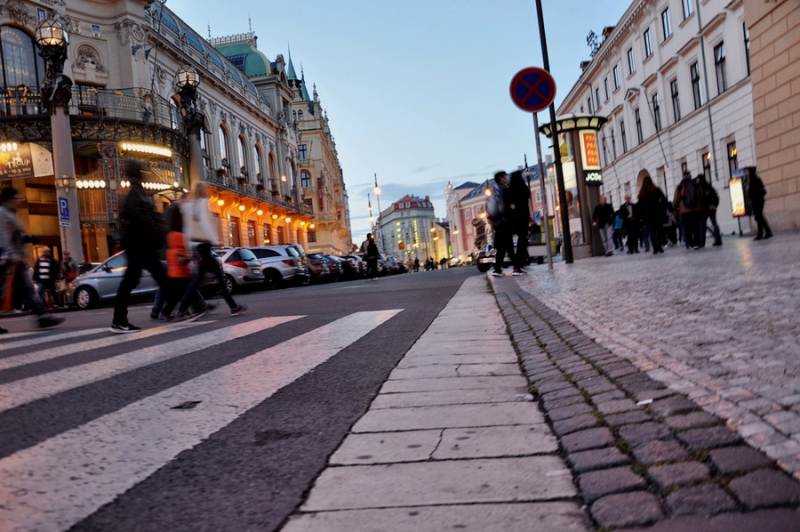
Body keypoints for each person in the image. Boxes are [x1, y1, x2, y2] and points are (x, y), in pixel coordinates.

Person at [111, 161, 169, 333]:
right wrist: (158, 235)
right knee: (154, 278)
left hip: (140, 245)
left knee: (155, 278)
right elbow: (144, 219)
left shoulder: (135, 193)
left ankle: (119, 319)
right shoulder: (136, 194)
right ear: (138, 174)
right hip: (140, 245)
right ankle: (119, 320)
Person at [178, 181, 246, 318]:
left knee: (218, 278)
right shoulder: (202, 203)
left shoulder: (191, 206)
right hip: (205, 244)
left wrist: (189, 247)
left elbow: (188, 228)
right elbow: (205, 223)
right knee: (200, 279)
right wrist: (214, 239)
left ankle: (233, 306)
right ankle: (182, 309)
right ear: (204, 191)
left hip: (199, 245)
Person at [0, 187, 64, 331]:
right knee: (3, 291)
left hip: (16, 259)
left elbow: (15, 235)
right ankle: (42, 316)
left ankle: (42, 317)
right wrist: (11, 255)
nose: (18, 202)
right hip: (8, 259)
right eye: (16, 199)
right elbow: (3, 236)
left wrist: (29, 239)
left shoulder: (11, 214)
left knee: (27, 289)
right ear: (10, 199)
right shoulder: (3, 214)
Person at [486, 171, 515, 277]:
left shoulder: (494, 190)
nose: (507, 178)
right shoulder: (504, 189)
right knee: (505, 246)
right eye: (505, 176)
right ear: (501, 178)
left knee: (505, 246)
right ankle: (510, 268)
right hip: (504, 221)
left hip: (497, 222)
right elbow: (508, 206)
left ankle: (511, 267)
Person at [505, 169, 532, 272]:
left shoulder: (509, 189)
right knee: (522, 241)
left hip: (513, 218)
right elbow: (526, 202)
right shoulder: (524, 188)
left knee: (510, 242)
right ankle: (519, 263)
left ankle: (516, 262)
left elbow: (509, 203)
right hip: (523, 217)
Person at [673, 172, 704, 250]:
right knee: (696, 226)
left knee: (687, 228)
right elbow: (701, 195)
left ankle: (690, 243)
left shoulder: (680, 187)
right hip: (696, 210)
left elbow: (676, 199)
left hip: (685, 211)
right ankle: (697, 243)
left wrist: (674, 208)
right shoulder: (696, 185)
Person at [637, 176, 667, 254]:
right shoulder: (656, 190)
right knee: (659, 230)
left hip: (648, 215)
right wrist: (661, 208)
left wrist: (641, 216)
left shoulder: (642, 193)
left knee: (652, 232)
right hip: (657, 213)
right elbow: (664, 199)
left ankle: (655, 248)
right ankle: (660, 247)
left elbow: (639, 206)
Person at [747, 168, 773, 240]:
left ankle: (762, 233)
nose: (746, 172)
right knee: (759, 217)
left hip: (757, 201)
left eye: (747, 171)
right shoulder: (754, 179)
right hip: (758, 200)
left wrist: (749, 190)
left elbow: (755, 191)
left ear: (750, 172)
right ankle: (766, 232)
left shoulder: (754, 180)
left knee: (759, 217)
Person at [698, 174, 722, 247]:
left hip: (705, 209)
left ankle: (702, 242)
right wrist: (714, 205)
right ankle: (718, 239)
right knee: (714, 223)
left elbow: (703, 199)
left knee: (702, 224)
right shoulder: (709, 186)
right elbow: (716, 196)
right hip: (712, 208)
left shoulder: (701, 187)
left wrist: (707, 205)